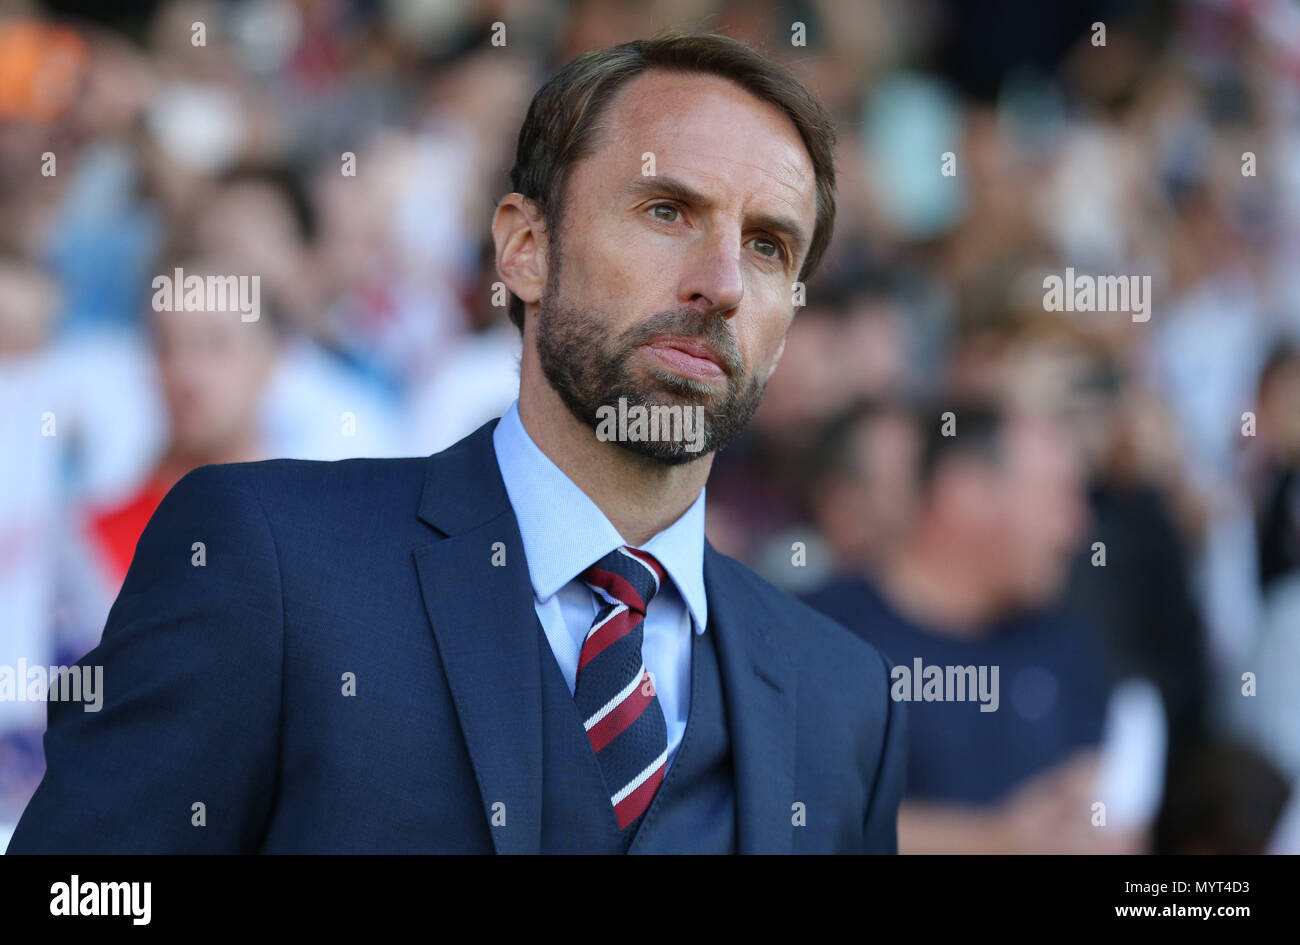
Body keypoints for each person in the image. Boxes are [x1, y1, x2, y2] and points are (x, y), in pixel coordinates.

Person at [7, 33, 905, 855]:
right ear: (523, 248)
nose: (721, 284)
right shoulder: (265, 557)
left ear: (788, 322)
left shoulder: (844, 700)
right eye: (667, 210)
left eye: (767, 246)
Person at [804, 400, 1129, 852]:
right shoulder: (816, 636)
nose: (1078, 527)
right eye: (1057, 496)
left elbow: (1107, 817)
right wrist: (993, 841)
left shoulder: (1064, 645)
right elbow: (794, 818)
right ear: (966, 493)